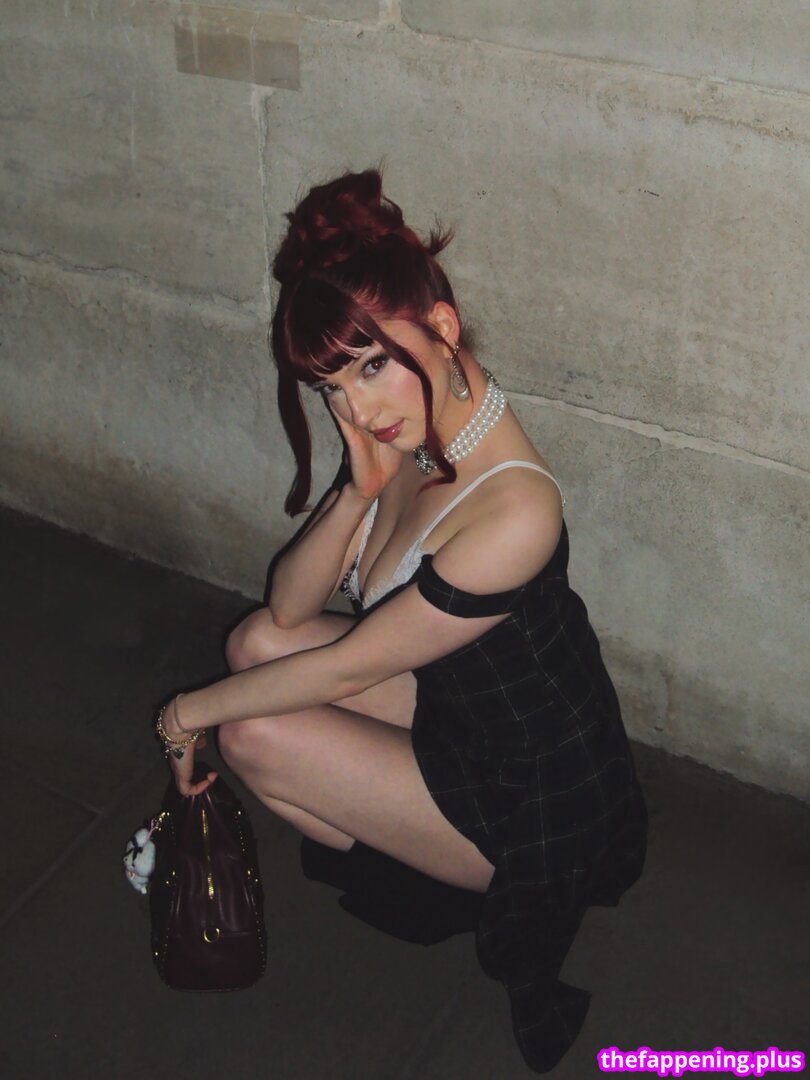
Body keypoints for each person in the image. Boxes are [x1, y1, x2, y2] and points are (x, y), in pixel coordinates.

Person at [154, 168, 648, 1072]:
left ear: (443, 328)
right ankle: (405, 844)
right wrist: (358, 488)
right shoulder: (418, 426)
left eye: (372, 366)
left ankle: (451, 877)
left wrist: (186, 715)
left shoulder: (517, 510)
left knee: (248, 730)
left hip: (532, 794)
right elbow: (289, 608)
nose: (358, 409)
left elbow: (347, 669)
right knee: (253, 645)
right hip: (462, 714)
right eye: (330, 388)